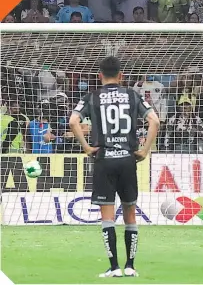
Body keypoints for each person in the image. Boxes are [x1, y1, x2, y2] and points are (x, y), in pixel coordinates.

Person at [69, 56, 160, 277]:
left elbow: (73, 121)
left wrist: (87, 148)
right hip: (128, 160)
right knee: (130, 213)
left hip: (105, 159)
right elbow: (155, 121)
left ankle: (114, 267)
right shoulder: (132, 95)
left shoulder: (92, 97)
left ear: (100, 75)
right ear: (121, 76)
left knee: (107, 216)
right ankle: (130, 266)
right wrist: (144, 150)